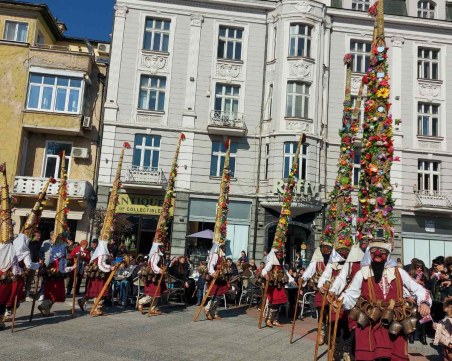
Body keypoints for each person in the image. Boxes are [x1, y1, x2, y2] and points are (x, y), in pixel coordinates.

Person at [339, 242, 432, 361]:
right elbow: (351, 294)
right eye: (374, 252)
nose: (377, 254)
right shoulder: (362, 273)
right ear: (370, 254)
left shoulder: (399, 272)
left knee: (394, 356)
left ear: (388, 254)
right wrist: (341, 301)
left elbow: (419, 290)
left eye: (382, 252)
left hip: (394, 322)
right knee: (369, 356)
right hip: (370, 321)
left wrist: (425, 302)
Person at [38, 232, 76, 316]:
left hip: (52, 274)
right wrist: (73, 267)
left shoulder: (54, 253)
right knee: (58, 294)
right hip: (57, 276)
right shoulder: (61, 258)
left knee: (50, 292)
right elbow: (63, 270)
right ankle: (44, 305)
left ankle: (46, 311)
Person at [301, 241, 332, 344]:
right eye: (324, 247)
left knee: (332, 314)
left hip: (332, 292)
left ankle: (331, 334)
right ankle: (321, 334)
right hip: (321, 292)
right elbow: (309, 271)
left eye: (328, 247)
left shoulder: (334, 260)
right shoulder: (317, 261)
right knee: (322, 313)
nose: (326, 249)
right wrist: (303, 278)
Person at [4, 234, 40, 321]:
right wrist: (38, 265)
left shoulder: (10, 249)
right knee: (15, 298)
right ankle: (6, 315)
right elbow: (29, 265)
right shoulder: (25, 252)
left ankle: (4, 315)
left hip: (7, 277)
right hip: (17, 278)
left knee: (6, 295)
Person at [261, 245, 294, 327]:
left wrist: (292, 280)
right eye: (279, 254)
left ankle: (275, 320)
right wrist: (265, 275)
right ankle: (269, 319)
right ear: (275, 254)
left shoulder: (281, 263)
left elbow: (285, 272)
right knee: (273, 303)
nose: (281, 255)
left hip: (279, 285)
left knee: (279, 303)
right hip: (272, 286)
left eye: (282, 254)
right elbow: (264, 270)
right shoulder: (272, 262)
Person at [78, 239, 113, 316]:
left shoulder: (98, 252)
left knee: (93, 291)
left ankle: (82, 301)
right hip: (99, 276)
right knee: (99, 292)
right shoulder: (102, 253)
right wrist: (110, 267)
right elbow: (101, 264)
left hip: (96, 275)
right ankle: (97, 309)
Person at [137, 241, 167, 315]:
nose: (163, 248)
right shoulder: (155, 255)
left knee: (157, 294)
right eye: (161, 247)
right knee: (152, 294)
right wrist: (160, 270)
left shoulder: (160, 255)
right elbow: (153, 265)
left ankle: (152, 309)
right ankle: (140, 302)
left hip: (158, 277)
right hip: (153, 277)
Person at [203, 242, 229, 320]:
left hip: (221, 278)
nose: (224, 248)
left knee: (219, 295)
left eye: (224, 246)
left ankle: (213, 312)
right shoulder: (215, 255)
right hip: (215, 278)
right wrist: (212, 272)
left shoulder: (222, 256)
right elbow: (210, 265)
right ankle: (207, 309)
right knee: (215, 295)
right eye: (223, 246)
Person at [433, 296, 452, 361]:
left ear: (449, 307)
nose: (442, 306)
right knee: (445, 356)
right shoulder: (446, 316)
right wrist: (437, 326)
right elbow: (444, 327)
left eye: (444, 304)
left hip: (449, 344)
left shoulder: (450, 319)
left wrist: (450, 343)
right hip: (445, 343)